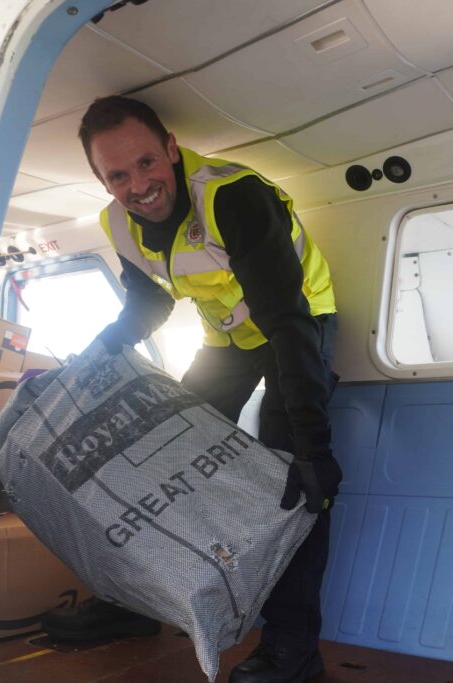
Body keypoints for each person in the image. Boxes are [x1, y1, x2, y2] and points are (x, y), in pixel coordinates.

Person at [42, 95, 341, 683]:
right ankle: (132, 604)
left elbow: (286, 320)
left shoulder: (233, 198)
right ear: (102, 181)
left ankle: (293, 650)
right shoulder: (117, 222)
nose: (140, 185)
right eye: (118, 175)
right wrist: (98, 354)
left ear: (172, 150)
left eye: (148, 163)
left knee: (292, 481)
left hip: (296, 325)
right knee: (155, 458)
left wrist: (314, 448)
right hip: (227, 341)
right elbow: (151, 298)